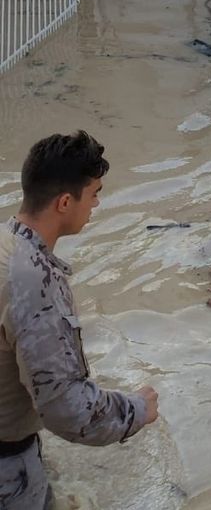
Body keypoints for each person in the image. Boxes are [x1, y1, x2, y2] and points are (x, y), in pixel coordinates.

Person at [0, 132, 159, 509]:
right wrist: (136, 409)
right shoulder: (33, 279)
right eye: (94, 193)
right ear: (65, 202)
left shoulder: (6, 243)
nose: (98, 204)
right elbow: (66, 410)